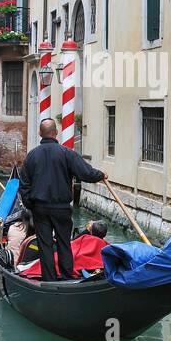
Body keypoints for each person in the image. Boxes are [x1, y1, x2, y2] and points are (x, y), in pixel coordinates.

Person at [18, 119, 106, 281]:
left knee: (45, 245)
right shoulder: (67, 153)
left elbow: (24, 186)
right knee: (64, 243)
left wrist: (31, 205)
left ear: (40, 134)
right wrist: (101, 175)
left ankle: (49, 280)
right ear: (56, 133)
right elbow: (86, 173)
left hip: (40, 208)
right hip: (61, 208)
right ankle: (66, 277)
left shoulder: (31, 156)